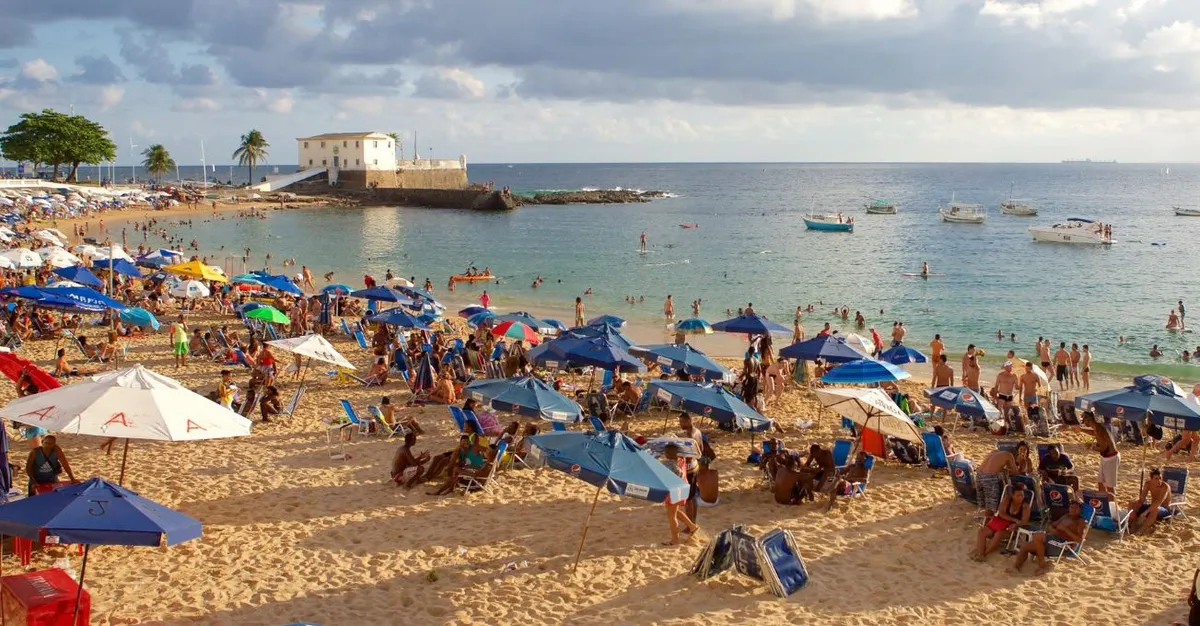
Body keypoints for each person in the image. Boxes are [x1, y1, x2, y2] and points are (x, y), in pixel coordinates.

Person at [1010, 499, 1088, 576]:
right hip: (1053, 541)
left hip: (1064, 546)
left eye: (1076, 508)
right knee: (1025, 546)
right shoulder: (1066, 516)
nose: (1073, 510)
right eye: (1071, 507)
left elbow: (1079, 540)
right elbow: (1051, 526)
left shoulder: (1080, 522)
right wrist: (1055, 531)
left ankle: (1042, 565)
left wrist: (1065, 530)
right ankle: (1016, 568)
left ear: (1080, 510)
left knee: (1038, 536)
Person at [971, 486, 1030, 562]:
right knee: (982, 531)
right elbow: (1001, 513)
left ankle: (983, 554)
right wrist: (1014, 519)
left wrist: (1016, 524)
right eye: (1018, 495)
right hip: (999, 523)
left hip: (1010, 529)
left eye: (1022, 495)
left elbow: (1024, 521)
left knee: (999, 534)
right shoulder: (1007, 500)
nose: (1021, 497)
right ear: (1012, 495)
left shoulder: (1025, 506)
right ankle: (980, 554)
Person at [660, 444, 699, 544]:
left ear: (666, 454)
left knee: (671, 516)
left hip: (673, 490)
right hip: (681, 489)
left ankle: (675, 540)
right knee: (675, 511)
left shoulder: (666, 465)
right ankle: (692, 526)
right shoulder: (681, 460)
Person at [1076, 411, 1119, 495]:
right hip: (1106, 458)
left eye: (1084, 420)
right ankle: (1103, 501)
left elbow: (1104, 448)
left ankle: (1111, 505)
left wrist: (1092, 447)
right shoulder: (1097, 427)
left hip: (1111, 458)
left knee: (1110, 487)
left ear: (1088, 420)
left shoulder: (1098, 428)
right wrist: (1081, 430)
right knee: (1101, 482)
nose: (1084, 422)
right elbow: (1095, 434)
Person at [678, 412, 706, 524]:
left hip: (689, 468)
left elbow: (688, 457)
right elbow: (701, 449)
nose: (680, 424)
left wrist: (679, 454)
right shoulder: (698, 432)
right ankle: (693, 521)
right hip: (695, 466)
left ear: (689, 421)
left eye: (682, 422)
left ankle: (690, 525)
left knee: (688, 499)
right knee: (693, 496)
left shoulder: (690, 436)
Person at [1128, 467, 1173, 535]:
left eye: (1160, 478)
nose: (1159, 481)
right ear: (1151, 479)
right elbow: (1142, 499)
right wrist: (1137, 503)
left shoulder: (1165, 487)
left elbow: (1159, 502)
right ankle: (1132, 525)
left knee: (1155, 508)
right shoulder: (1148, 484)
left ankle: (1142, 529)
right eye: (1156, 479)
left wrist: (1146, 512)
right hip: (1152, 507)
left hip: (1164, 509)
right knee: (1132, 503)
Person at [977, 447, 1019, 512]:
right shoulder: (1009, 455)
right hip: (989, 478)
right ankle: (989, 520)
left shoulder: (994, 452)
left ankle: (986, 518)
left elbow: (994, 467)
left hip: (979, 476)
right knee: (991, 507)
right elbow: (1015, 472)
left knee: (984, 504)